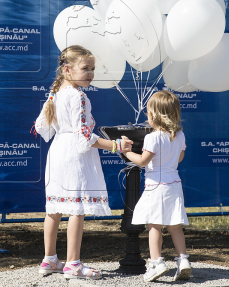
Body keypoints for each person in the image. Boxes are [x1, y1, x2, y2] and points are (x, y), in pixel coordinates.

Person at [34, 45, 133, 280]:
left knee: (56, 208)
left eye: (93, 69)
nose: (90, 73)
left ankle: (49, 260)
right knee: (76, 209)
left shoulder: (56, 94)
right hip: (73, 156)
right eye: (85, 68)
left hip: (58, 151)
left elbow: (43, 127)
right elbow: (85, 137)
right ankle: (73, 264)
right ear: (67, 69)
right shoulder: (78, 96)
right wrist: (116, 145)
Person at [122, 90, 191, 282]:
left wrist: (126, 152)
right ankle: (183, 260)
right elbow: (179, 157)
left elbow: (143, 161)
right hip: (174, 184)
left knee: (154, 225)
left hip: (155, 185)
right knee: (175, 224)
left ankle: (156, 262)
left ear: (153, 115)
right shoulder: (180, 135)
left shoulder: (152, 137)